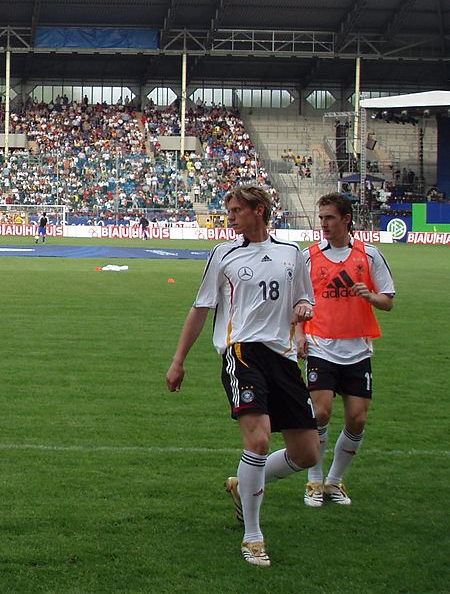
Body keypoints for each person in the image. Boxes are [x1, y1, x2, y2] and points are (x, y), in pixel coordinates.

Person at [166, 185, 319, 567]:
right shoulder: (224, 254)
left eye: (236, 210)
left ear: (260, 211)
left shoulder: (292, 254)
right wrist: (178, 359)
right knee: (259, 441)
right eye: (229, 211)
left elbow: (305, 299)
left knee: (307, 453)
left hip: (282, 358)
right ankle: (253, 535)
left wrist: (302, 314)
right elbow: (201, 307)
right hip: (241, 353)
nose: (230, 217)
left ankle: (242, 483)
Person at [298, 193, 395, 507]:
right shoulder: (309, 256)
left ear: (346, 219)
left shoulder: (369, 255)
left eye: (329, 218)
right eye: (322, 217)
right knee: (321, 412)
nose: (323, 224)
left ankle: (335, 482)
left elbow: (388, 301)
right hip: (320, 344)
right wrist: (299, 334)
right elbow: (298, 301)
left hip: (357, 347)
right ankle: (314, 480)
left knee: (357, 419)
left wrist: (370, 296)